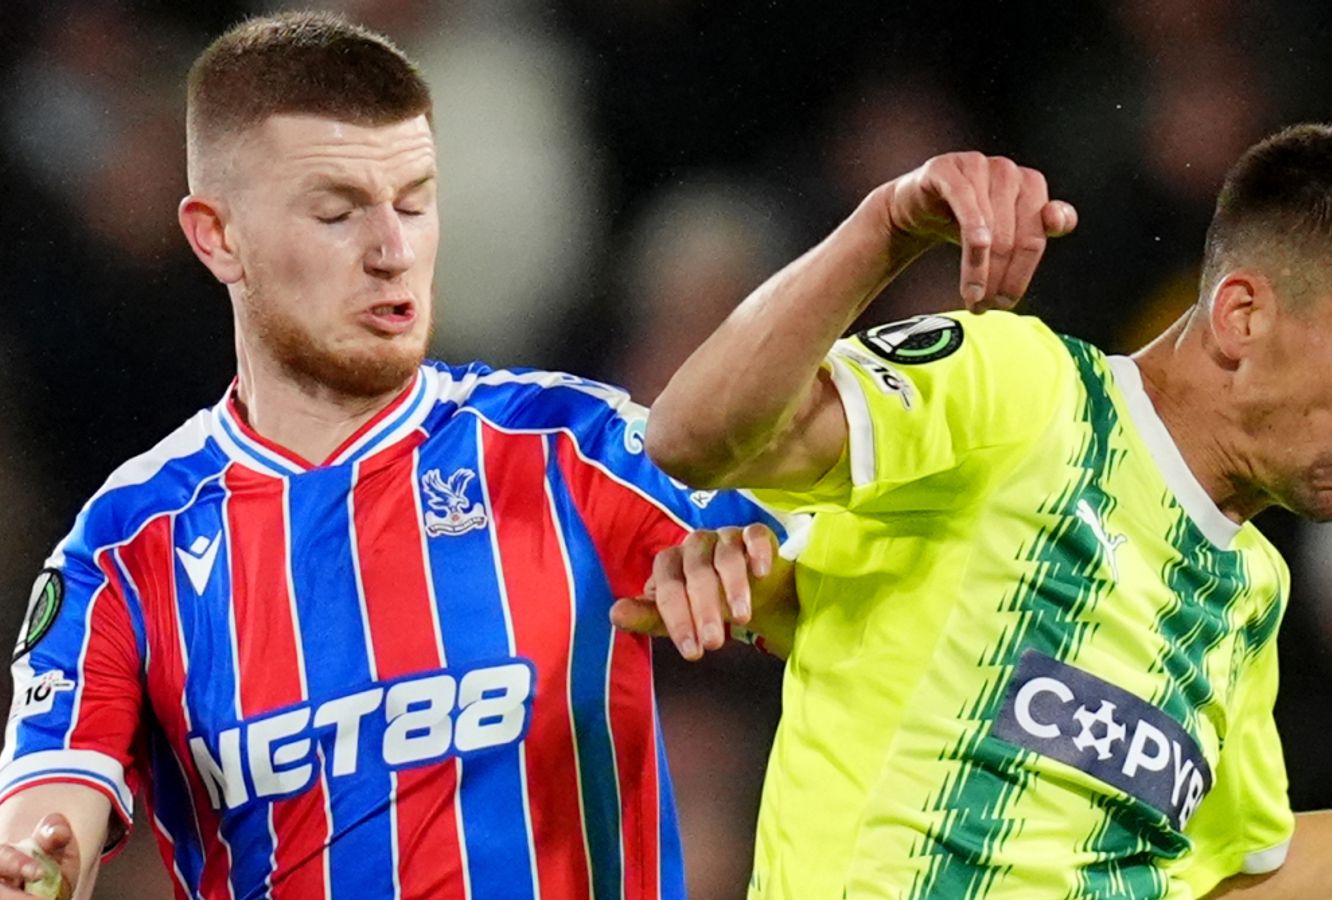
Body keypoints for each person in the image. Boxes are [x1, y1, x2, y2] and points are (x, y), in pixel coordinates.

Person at [624, 128, 1332, 898]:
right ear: (1242, 317)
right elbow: (696, 434)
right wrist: (883, 229)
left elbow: (1236, 883)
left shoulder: (1249, 586)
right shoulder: (1023, 391)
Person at [0, 12, 795, 899]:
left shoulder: (569, 448)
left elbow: (822, 573)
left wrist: (749, 568)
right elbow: (48, 813)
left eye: (415, 202)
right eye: (338, 214)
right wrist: (34, 865)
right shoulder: (125, 546)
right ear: (217, 236)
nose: (392, 251)